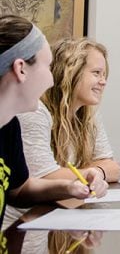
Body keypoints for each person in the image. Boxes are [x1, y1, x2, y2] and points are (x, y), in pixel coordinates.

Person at [0, 15, 107, 227]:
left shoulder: (9, 126)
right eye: (48, 67)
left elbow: (19, 190)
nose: (51, 80)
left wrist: (68, 187)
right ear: (21, 68)